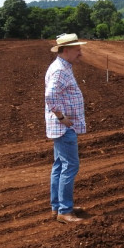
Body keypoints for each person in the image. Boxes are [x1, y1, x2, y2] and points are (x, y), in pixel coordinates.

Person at [45, 33, 88, 223]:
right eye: (77, 49)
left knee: (60, 166)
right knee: (70, 166)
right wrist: (62, 117)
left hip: (61, 127)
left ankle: (58, 207)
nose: (80, 53)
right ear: (67, 50)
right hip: (64, 128)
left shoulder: (62, 67)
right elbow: (50, 96)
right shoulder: (60, 71)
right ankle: (64, 210)